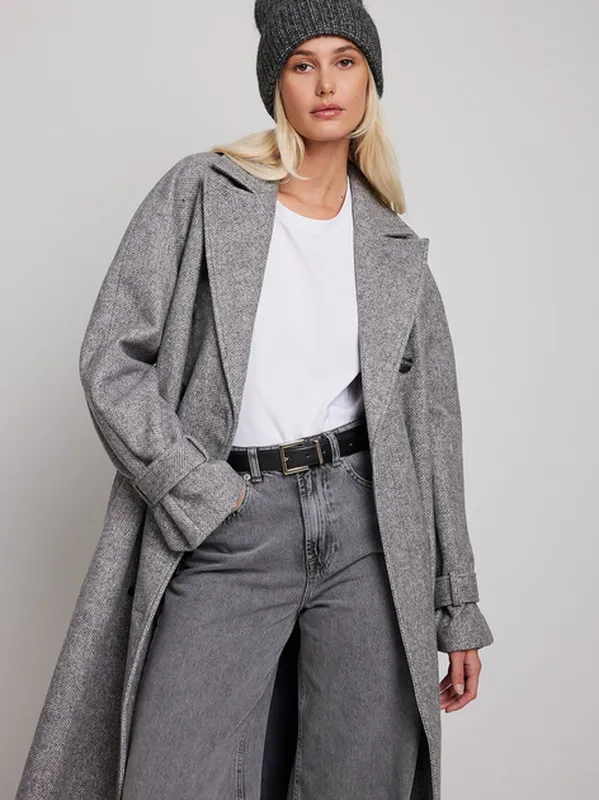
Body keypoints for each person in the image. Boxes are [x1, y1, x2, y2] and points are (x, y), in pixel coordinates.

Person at [14, 2, 494, 799]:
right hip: (234, 518)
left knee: (357, 779)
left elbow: (433, 435)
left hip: (367, 534)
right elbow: (111, 357)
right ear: (277, 84)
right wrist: (193, 488)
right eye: (303, 65)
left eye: (344, 61)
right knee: (173, 777)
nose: (326, 84)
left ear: (370, 79)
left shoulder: (393, 250)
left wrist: (457, 604)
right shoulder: (203, 193)